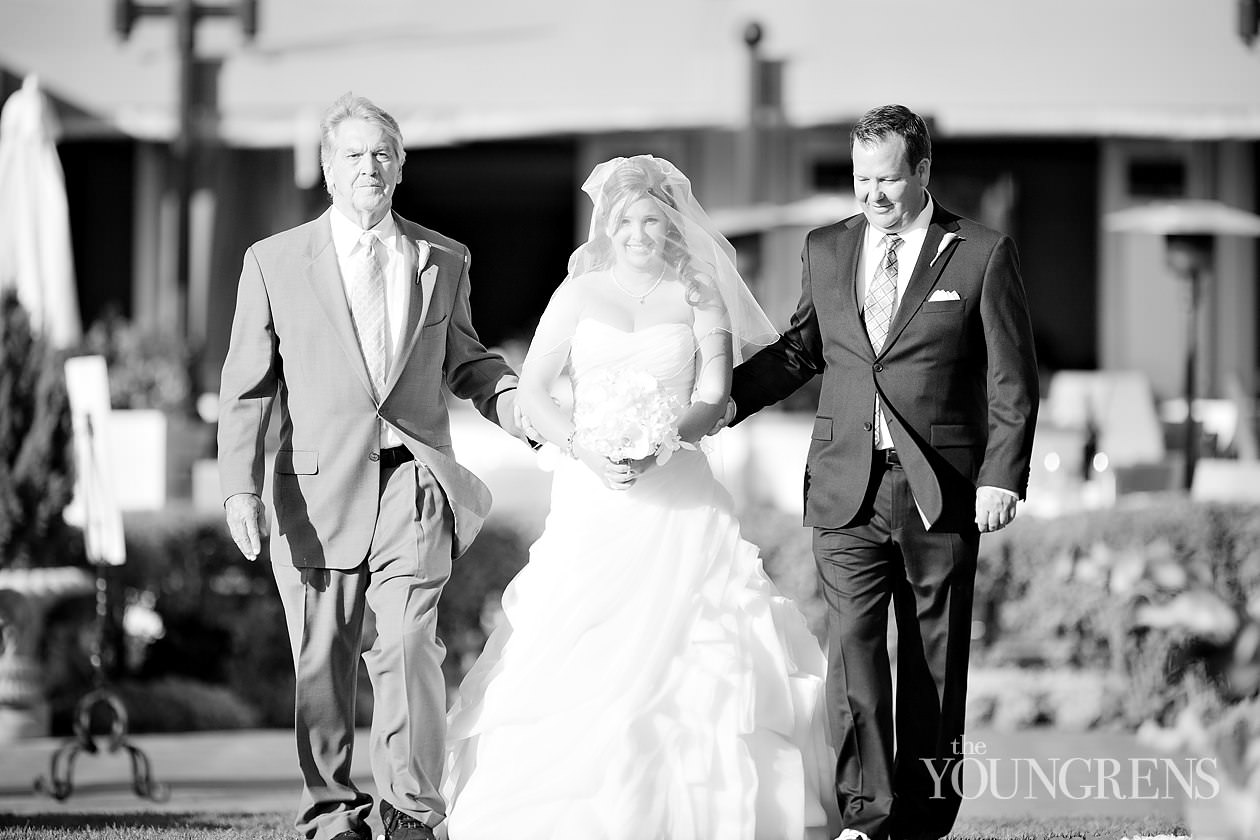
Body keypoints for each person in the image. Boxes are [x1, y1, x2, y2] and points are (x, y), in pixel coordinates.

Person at [442, 155, 840, 839]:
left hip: (676, 485)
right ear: (610, 224)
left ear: (671, 224)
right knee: (577, 639)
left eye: (652, 220)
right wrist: (582, 446)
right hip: (590, 493)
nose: (638, 233)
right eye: (626, 220)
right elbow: (534, 387)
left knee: (704, 639)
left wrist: (665, 439)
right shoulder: (578, 293)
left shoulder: (699, 295)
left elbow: (715, 394)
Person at [722, 104, 1039, 840]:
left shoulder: (981, 252)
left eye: (888, 179)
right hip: (845, 486)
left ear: (922, 171)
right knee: (854, 659)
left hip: (941, 490)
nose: (872, 195)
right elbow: (802, 349)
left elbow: (1012, 380)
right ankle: (868, 816)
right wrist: (720, 403)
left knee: (934, 663)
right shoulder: (825, 249)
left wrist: (1002, 476)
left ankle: (929, 821)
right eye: (862, 179)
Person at [218, 92, 525, 840]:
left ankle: (410, 810)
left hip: (414, 481)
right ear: (328, 170)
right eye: (353, 154)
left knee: (411, 641)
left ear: (401, 166)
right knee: (323, 656)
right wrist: (240, 490)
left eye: (382, 153)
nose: (370, 166)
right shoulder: (273, 261)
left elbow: (469, 359)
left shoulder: (442, 257)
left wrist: (524, 411)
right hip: (312, 491)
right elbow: (248, 389)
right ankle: (329, 807)